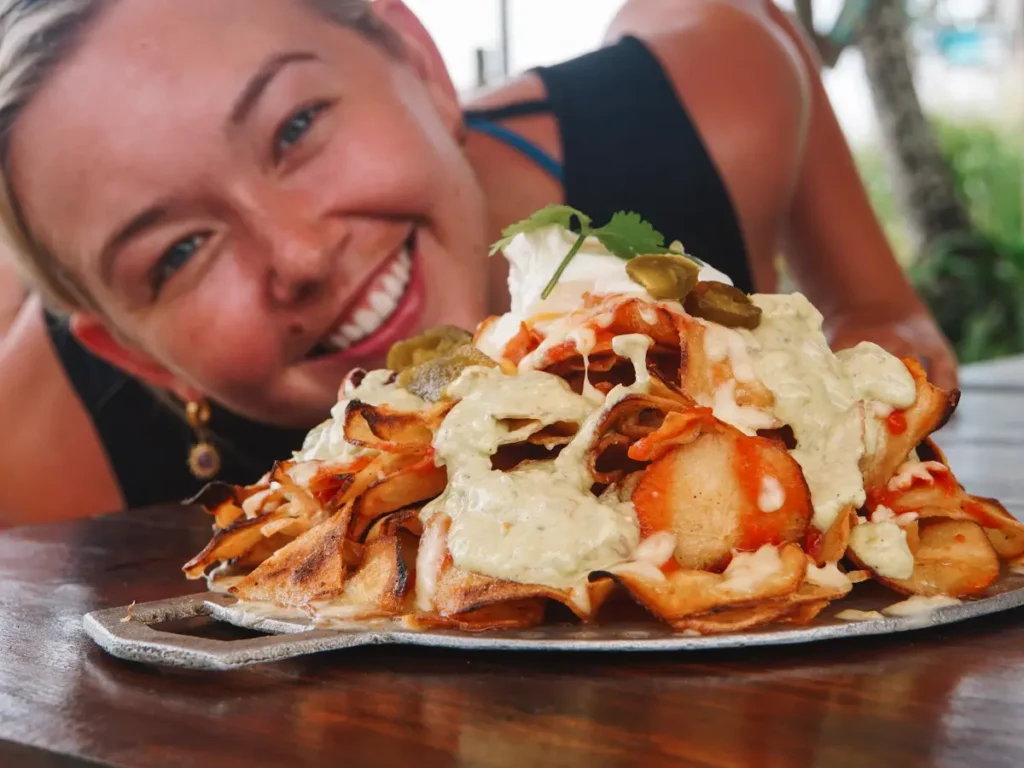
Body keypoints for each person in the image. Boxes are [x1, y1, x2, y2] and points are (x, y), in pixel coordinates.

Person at [0, 0, 957, 526]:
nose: (295, 255)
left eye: (296, 125)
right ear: (137, 359)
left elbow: (884, 312)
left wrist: (879, 356)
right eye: (179, 251)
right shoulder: (42, 452)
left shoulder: (697, 115)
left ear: (418, 58)